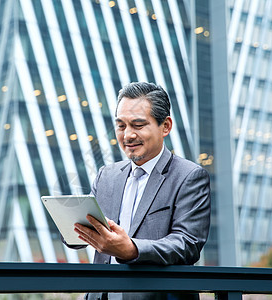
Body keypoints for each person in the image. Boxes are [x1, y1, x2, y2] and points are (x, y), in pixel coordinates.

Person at [72, 82, 211, 299]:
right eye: (121, 126)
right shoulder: (106, 175)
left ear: (165, 126)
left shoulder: (189, 176)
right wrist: (71, 225)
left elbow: (186, 243)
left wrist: (132, 249)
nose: (127, 135)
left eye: (138, 125)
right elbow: (85, 233)